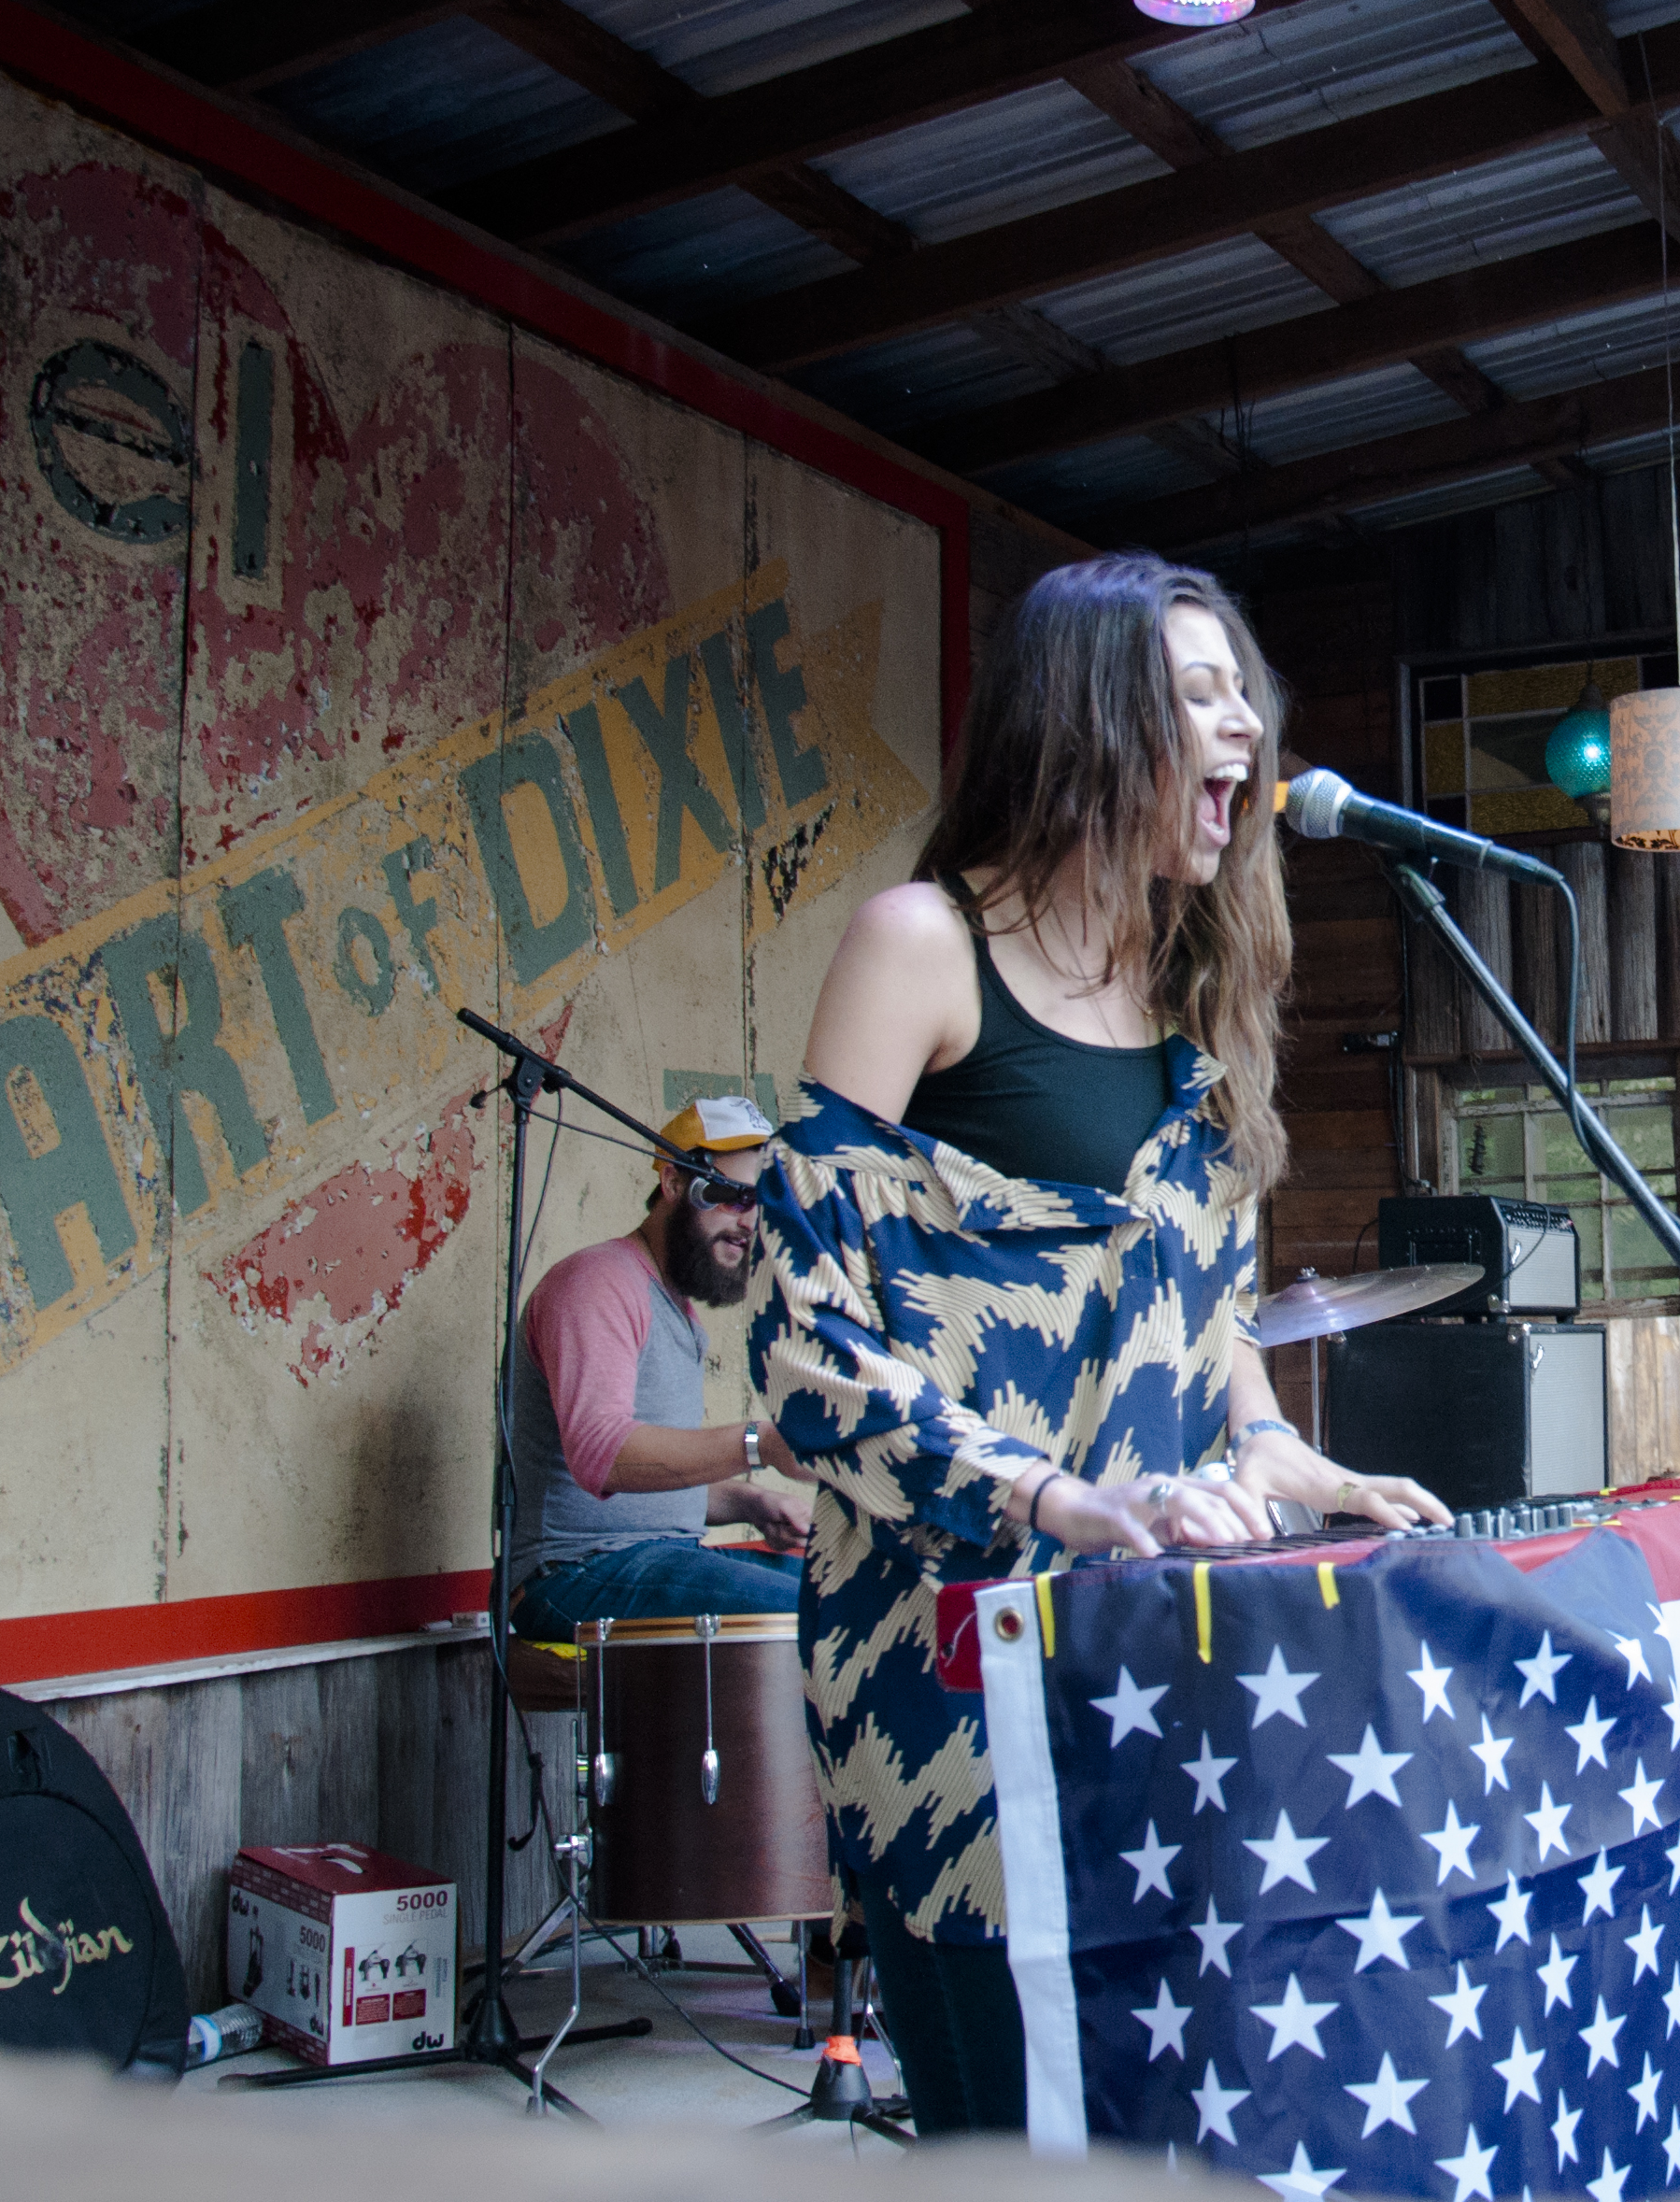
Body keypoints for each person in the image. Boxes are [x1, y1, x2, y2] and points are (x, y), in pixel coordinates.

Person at [749, 554, 1450, 2133]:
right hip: (950, 1695)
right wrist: (1053, 1494)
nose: (1244, 730)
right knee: (1007, 2123)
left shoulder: (1202, 1009)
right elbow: (805, 1348)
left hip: (1149, 1679)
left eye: (1243, 699)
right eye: (1199, 694)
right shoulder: (919, 948)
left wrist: (1284, 1452)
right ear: (1088, 715)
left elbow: (1209, 1334)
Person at [509, 1095, 815, 1639]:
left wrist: (750, 1501)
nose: (749, 1221)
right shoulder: (598, 1283)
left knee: (850, 1592)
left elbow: (646, 1485)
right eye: (730, 1196)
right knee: (818, 1610)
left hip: (651, 1558)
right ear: (673, 1183)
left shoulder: (677, 1310)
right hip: (574, 1576)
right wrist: (760, 1442)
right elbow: (602, 1460)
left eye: (762, 1202)